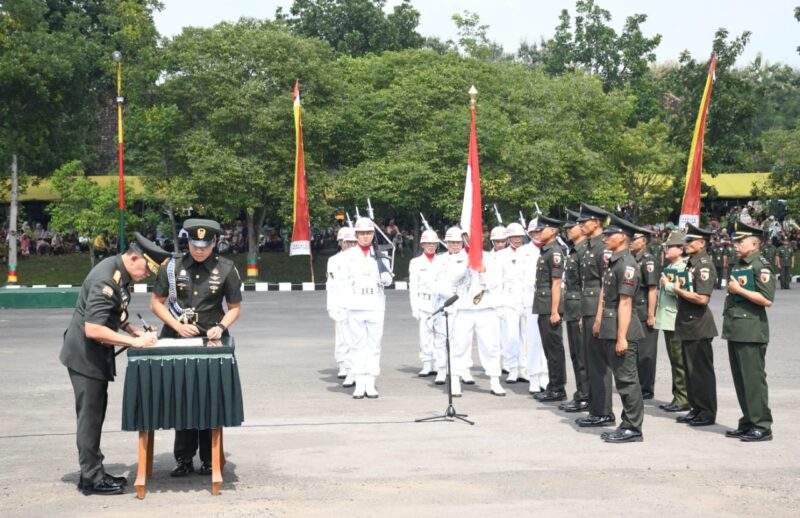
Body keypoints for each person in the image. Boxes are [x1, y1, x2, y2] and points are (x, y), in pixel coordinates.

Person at [60, 233, 170, 495]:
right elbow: (94, 328)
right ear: (134, 258)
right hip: (85, 357)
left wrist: (132, 330)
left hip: (95, 356)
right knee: (90, 418)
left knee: (95, 416)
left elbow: (114, 312)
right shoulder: (106, 280)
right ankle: (91, 479)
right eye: (147, 269)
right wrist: (136, 343)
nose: (147, 275)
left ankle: (95, 470)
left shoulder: (119, 273)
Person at [150, 219, 243, 477]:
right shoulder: (172, 267)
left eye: (205, 245)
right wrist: (177, 326)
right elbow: (156, 303)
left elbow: (234, 308)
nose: (199, 250)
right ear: (187, 242)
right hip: (178, 340)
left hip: (211, 342)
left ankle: (211, 458)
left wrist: (221, 328)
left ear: (214, 243)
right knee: (182, 398)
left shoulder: (226, 269)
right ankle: (183, 458)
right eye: (194, 245)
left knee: (210, 399)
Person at [722, 222, 775, 442]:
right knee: (741, 380)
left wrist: (739, 290)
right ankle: (748, 421)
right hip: (736, 328)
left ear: (754, 244)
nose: (736, 245)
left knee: (753, 380)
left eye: (740, 241)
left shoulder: (760, 265)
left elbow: (767, 299)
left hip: (751, 330)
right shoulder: (740, 263)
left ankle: (762, 425)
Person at [595, 215, 646, 443]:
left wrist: (622, 337)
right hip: (612, 326)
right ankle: (626, 424)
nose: (605, 238)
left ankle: (633, 427)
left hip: (623, 329)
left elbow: (625, 302)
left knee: (627, 380)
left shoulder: (626, 264)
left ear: (623, 237)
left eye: (609, 234)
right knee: (621, 378)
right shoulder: (615, 261)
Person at [444, 226, 505, 398]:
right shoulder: (456, 259)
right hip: (463, 308)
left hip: (485, 307)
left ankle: (494, 380)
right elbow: (451, 278)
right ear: (463, 237)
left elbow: (496, 281)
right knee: (460, 345)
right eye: (467, 236)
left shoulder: (490, 258)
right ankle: (455, 379)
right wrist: (468, 264)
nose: (471, 238)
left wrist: (482, 270)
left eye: (476, 235)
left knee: (490, 345)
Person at [340, 217, 393, 399]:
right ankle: (359, 382)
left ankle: (370, 382)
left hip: (375, 304)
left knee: (374, 345)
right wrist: (342, 307)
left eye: (368, 233)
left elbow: (388, 275)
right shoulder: (348, 256)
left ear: (373, 234)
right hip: (355, 304)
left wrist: (387, 278)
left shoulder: (379, 254)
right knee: (357, 346)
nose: (365, 237)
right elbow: (343, 283)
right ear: (356, 235)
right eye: (361, 233)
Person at [673, 223, 718, 427]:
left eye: (690, 241)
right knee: (691, 370)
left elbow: (702, 298)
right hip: (687, 323)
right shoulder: (692, 263)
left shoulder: (704, 265)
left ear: (702, 243)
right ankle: (696, 408)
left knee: (701, 371)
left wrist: (679, 291)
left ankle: (707, 411)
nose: (686, 244)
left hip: (698, 324)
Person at [575, 203, 615, 429]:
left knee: (599, 365)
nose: (581, 225)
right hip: (588, 310)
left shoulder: (602, 248)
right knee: (591, 363)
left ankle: (603, 412)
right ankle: (596, 408)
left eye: (585, 221)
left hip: (597, 311)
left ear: (597, 223)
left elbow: (604, 286)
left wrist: (599, 316)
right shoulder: (591, 247)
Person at [531, 215, 568, 402]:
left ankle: (558, 387)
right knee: (548, 348)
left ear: (553, 231)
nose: (539, 232)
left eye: (542, 229)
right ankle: (553, 385)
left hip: (550, 306)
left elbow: (556, 283)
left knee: (554, 348)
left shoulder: (554, 252)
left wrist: (554, 311)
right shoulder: (545, 251)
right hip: (543, 304)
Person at [653, 231, 690, 413]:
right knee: (675, 360)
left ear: (681, 249)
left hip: (676, 318)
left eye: (670, 247)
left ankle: (683, 398)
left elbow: (681, 292)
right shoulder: (672, 266)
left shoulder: (683, 267)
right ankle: (678, 396)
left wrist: (666, 284)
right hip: (668, 319)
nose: (666, 250)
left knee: (679, 360)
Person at [495, 223, 535, 385]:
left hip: (526, 298)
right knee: (510, 336)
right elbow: (497, 281)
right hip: (509, 299)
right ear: (508, 238)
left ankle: (524, 368)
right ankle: (512, 369)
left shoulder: (529, 252)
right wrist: (499, 305)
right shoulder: (500, 255)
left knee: (525, 336)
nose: (517, 239)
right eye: (514, 237)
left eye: (519, 236)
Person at [560, 208, 590, 413]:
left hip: (580, 307)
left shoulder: (584, 251)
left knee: (583, 357)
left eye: (572, 227)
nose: (568, 231)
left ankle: (585, 396)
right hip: (572, 307)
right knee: (575, 355)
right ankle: (581, 393)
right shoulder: (574, 249)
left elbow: (586, 285)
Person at [409, 229, 445, 377]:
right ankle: (426, 363)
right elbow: (413, 286)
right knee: (425, 336)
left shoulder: (443, 261)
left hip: (439, 301)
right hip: (424, 302)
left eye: (434, 243)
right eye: (428, 243)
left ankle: (438, 363)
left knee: (440, 336)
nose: (431, 246)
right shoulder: (416, 262)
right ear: (422, 245)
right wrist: (414, 307)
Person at [630, 227, 659, 400]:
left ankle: (647, 388)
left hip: (643, 310)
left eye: (635, 239)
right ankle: (636, 384)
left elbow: (653, 289)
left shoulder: (649, 261)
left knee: (646, 353)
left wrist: (651, 314)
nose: (632, 242)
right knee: (633, 351)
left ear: (644, 241)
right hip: (633, 309)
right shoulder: (632, 259)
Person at [327, 226, 358, 386]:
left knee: (356, 339)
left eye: (353, 242)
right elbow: (331, 286)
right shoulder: (333, 261)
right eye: (346, 242)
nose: (350, 245)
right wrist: (331, 307)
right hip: (340, 304)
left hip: (357, 305)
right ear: (340, 243)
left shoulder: (361, 259)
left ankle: (354, 368)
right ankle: (343, 365)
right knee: (342, 338)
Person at [524, 218, 548, 393]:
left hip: (548, 302)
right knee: (533, 341)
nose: (538, 235)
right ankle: (533, 376)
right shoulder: (523, 252)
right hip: (529, 301)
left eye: (540, 232)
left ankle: (546, 376)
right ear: (530, 234)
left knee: (548, 341)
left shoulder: (553, 251)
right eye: (535, 232)